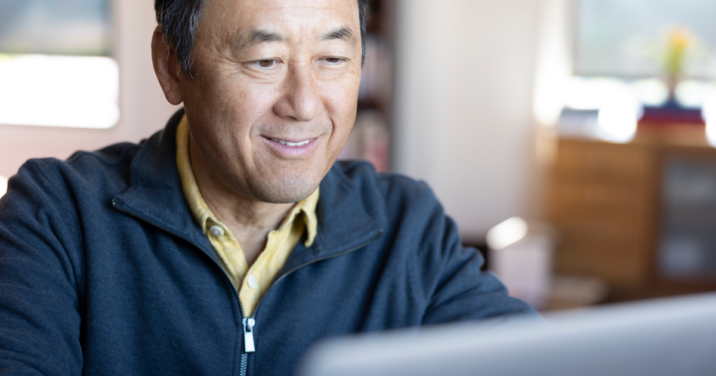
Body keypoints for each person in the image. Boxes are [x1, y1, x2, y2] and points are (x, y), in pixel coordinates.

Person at [0, 0, 535, 374]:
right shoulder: (55, 216)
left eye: (332, 59)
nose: (305, 104)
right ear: (171, 66)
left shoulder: (408, 226)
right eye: (265, 61)